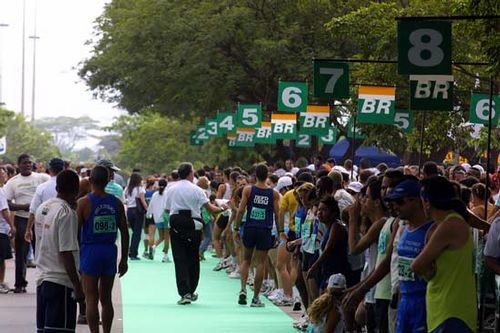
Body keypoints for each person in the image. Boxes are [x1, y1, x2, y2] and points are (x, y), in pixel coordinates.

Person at [411, 176, 477, 333]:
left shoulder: (450, 225)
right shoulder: (450, 223)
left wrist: (427, 271)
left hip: (450, 312)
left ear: (427, 202)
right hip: (446, 310)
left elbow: (417, 265)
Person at [77, 166, 129, 333]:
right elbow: (125, 233)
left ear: (90, 181)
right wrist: (125, 259)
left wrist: (76, 258)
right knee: (106, 299)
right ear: (108, 181)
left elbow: (74, 234)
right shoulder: (116, 202)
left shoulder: (84, 202)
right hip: (109, 251)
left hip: (90, 251)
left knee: (91, 298)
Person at [165, 162, 225, 305]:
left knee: (180, 260)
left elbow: (167, 209)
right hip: (194, 226)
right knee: (193, 258)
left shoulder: (171, 189)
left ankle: (184, 292)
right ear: (190, 173)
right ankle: (191, 290)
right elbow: (211, 209)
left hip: (176, 226)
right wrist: (222, 208)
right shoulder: (197, 190)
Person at [35, 170, 84, 333]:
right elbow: (66, 252)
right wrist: (77, 285)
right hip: (60, 283)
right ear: (76, 189)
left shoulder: (44, 207)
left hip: (42, 281)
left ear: (57, 187)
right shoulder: (66, 213)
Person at [234, 163, 282, 307]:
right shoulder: (273, 193)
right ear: (267, 175)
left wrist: (236, 228)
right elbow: (277, 214)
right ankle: (255, 297)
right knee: (260, 263)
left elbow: (241, 210)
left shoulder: (248, 190)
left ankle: (243, 289)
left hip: (250, 228)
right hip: (264, 230)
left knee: (246, 260)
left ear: (255, 175)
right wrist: (280, 232)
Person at [3, 154, 48, 293]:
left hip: (39, 219)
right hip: (22, 219)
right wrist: (23, 206)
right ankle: (20, 284)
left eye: (29, 163)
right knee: (21, 253)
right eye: (24, 163)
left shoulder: (41, 178)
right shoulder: (13, 182)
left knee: (42, 252)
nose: (27, 165)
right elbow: (7, 203)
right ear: (19, 165)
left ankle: (45, 282)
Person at [146, 178, 171, 262]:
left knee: (161, 236)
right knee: (167, 237)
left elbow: (150, 207)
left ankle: (153, 247)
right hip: (166, 217)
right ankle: (165, 256)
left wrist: (148, 214)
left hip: (157, 218)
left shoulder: (155, 194)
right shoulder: (167, 194)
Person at [124, 173, 148, 260]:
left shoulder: (128, 189)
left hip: (129, 211)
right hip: (138, 212)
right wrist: (147, 209)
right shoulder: (140, 189)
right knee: (137, 233)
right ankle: (133, 253)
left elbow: (126, 198)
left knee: (134, 232)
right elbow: (143, 200)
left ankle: (130, 250)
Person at [0, 184, 14, 293]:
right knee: (1, 259)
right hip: (1, 229)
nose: (4, 175)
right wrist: (11, 225)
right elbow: (4, 211)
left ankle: (1, 282)